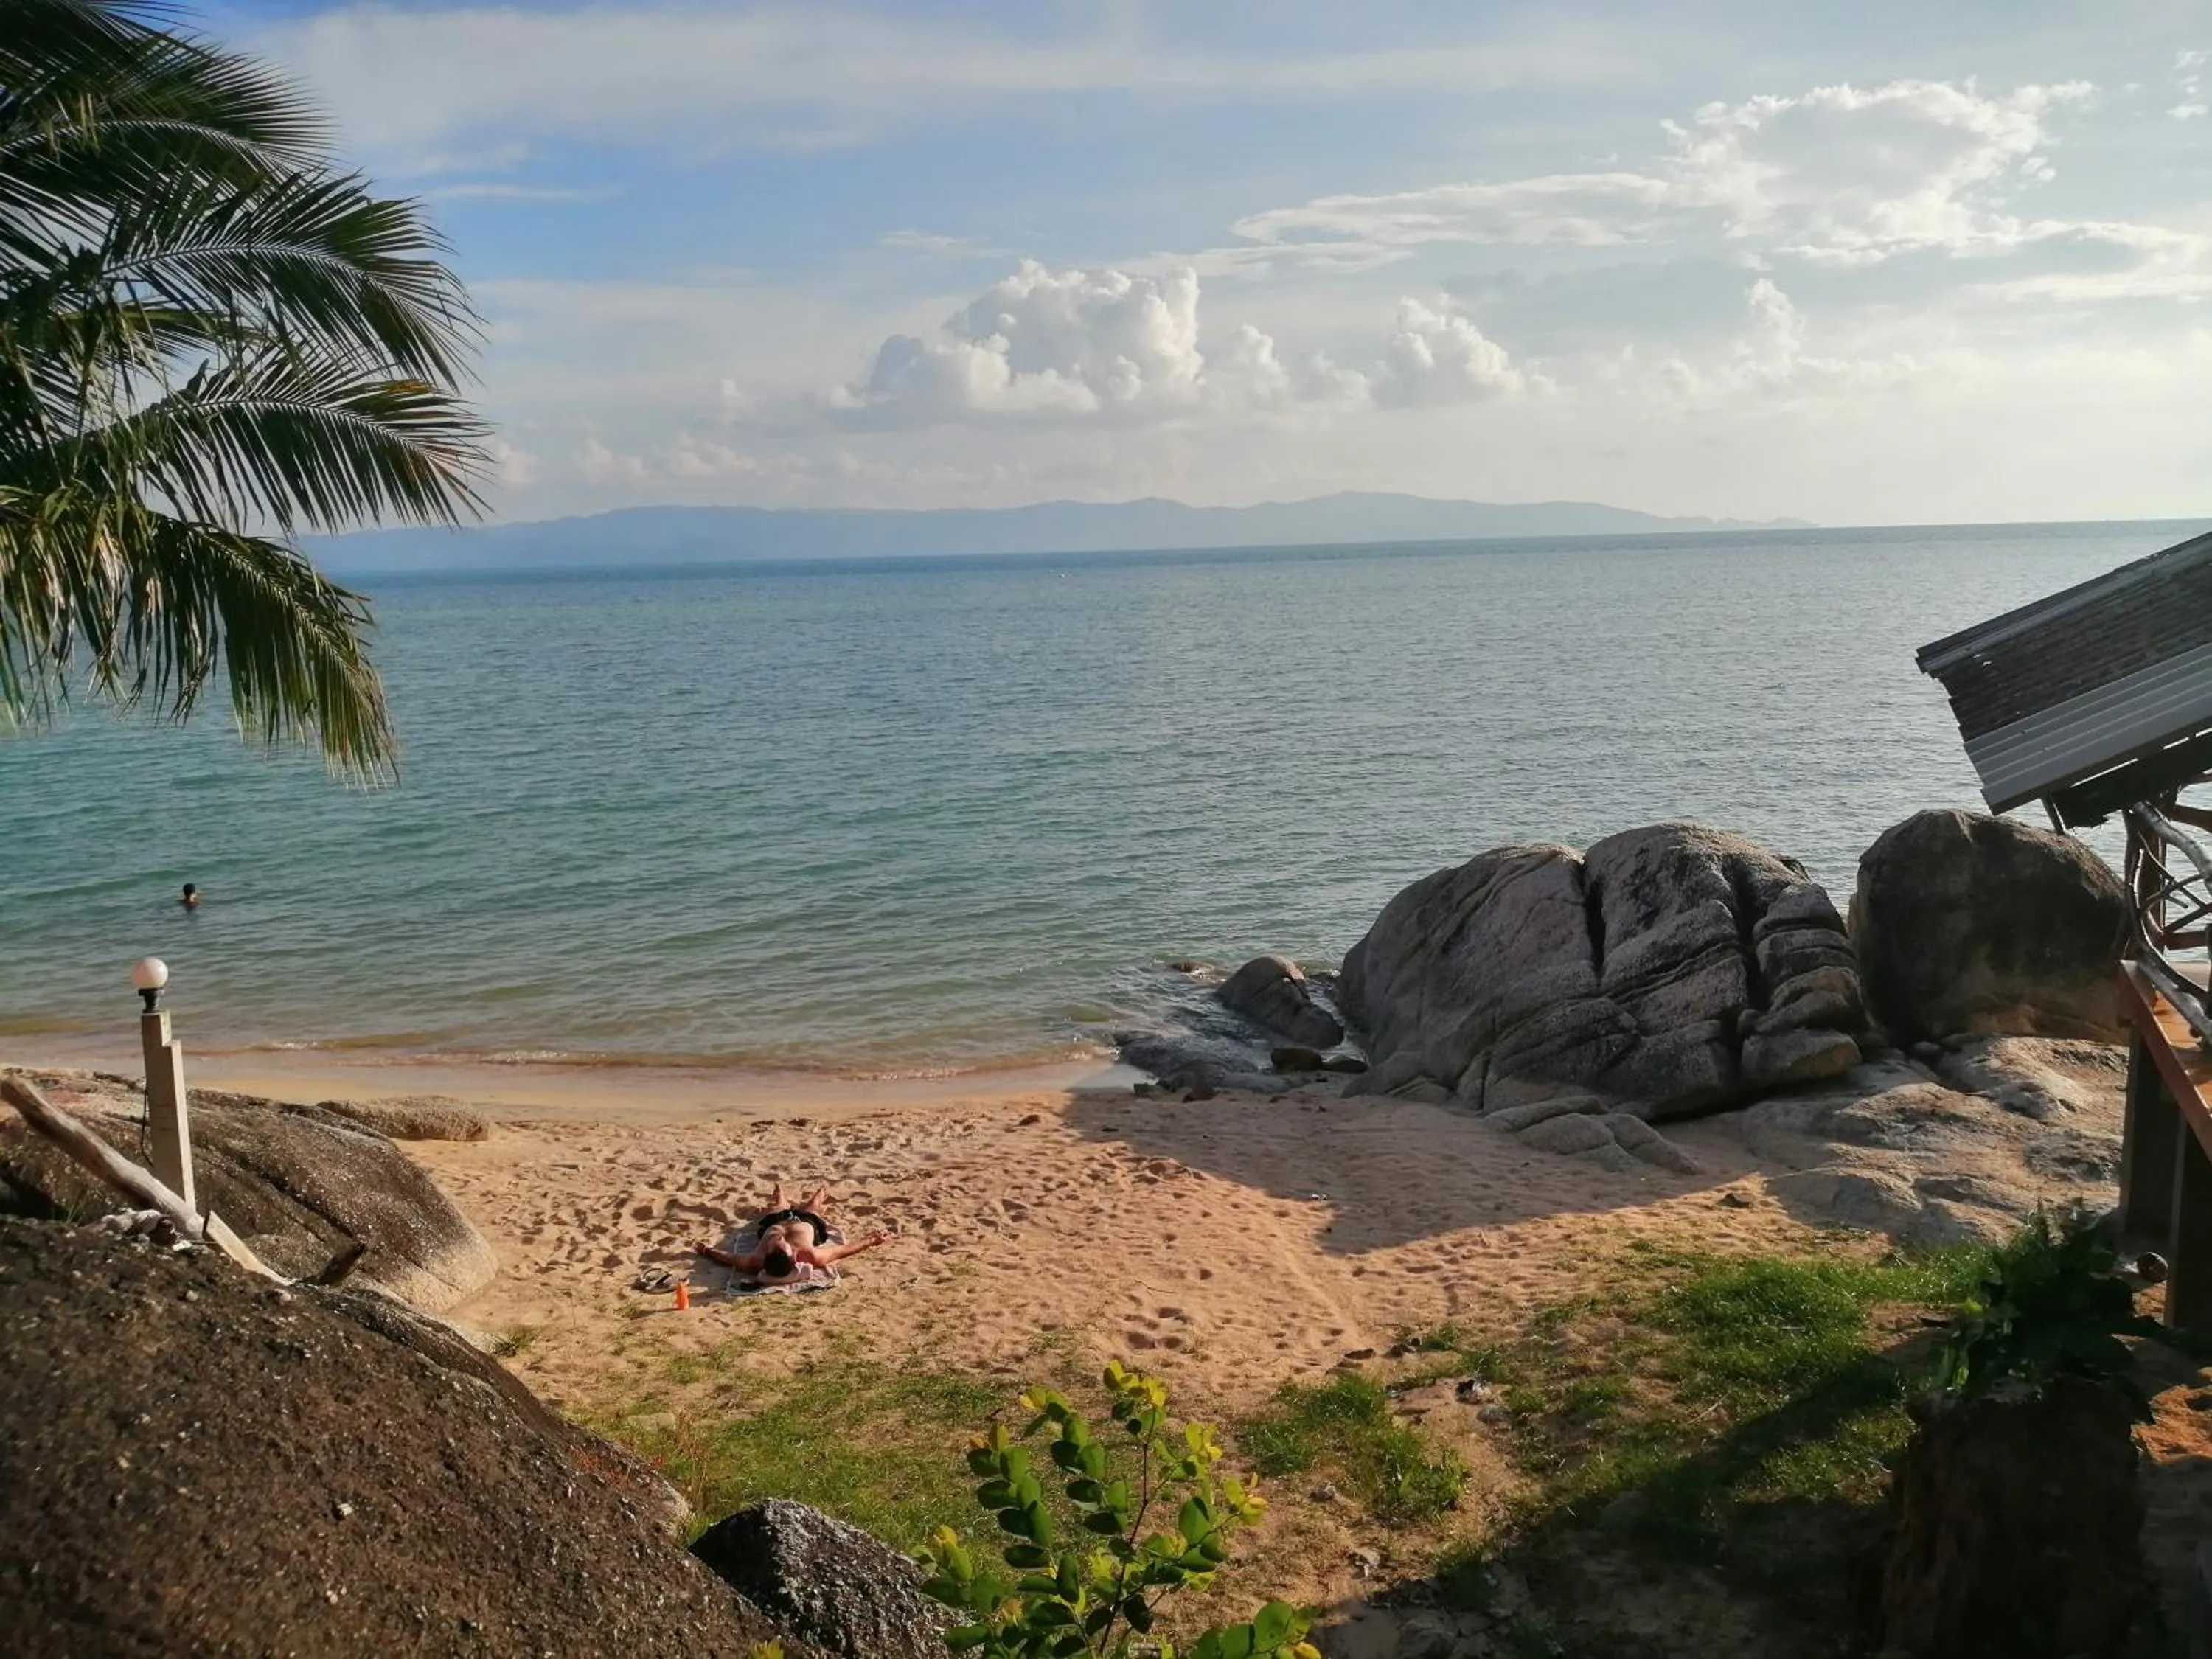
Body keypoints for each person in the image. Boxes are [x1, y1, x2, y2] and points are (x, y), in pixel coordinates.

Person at [692, 1180, 891, 1283]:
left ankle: (782, 1196)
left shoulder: (755, 1260)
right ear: (794, 1256)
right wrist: (871, 1240)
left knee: (779, 1206)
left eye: (776, 1243)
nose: (779, 1240)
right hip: (807, 1222)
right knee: (813, 1205)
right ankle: (818, 1195)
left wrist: (706, 1250)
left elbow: (730, 1258)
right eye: (780, 1243)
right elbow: (842, 1250)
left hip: (777, 1220)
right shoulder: (811, 1256)